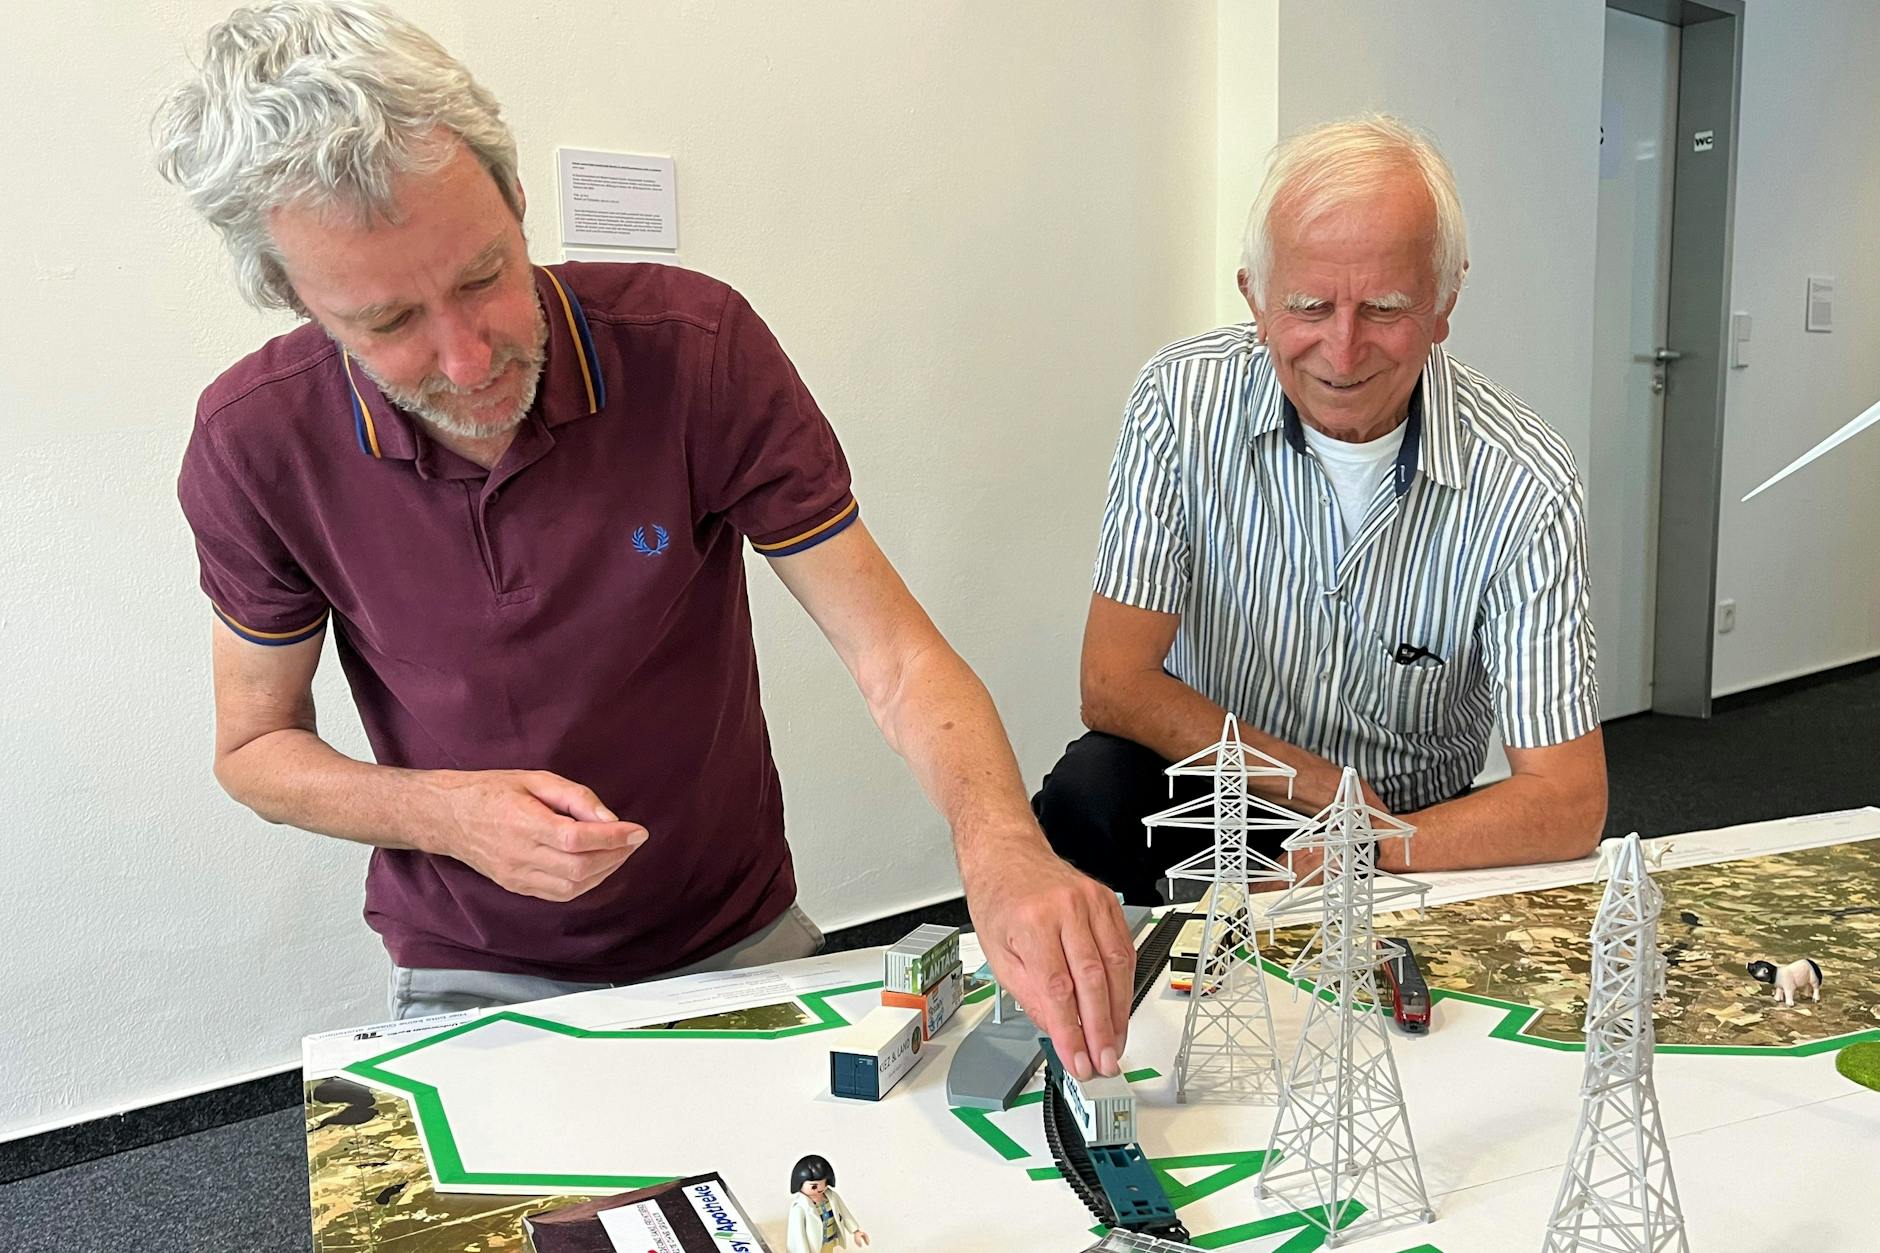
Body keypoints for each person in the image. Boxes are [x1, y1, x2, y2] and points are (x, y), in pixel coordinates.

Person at [156, 0, 1132, 1082]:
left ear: (516, 199)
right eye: (389, 323)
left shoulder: (695, 350)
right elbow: (255, 748)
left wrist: (1001, 847)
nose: (469, 361)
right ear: (294, 299)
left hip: (735, 934)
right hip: (468, 962)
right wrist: (447, 813)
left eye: (484, 275)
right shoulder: (255, 443)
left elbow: (894, 657)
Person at [1035, 115, 1607, 903]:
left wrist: (1366, 846)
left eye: (1384, 308)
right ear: (1255, 296)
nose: (1342, 352)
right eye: (1308, 306)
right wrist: (1318, 788)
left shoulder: (1525, 478)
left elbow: (1569, 800)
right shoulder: (1179, 399)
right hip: (1220, 785)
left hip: (1407, 823)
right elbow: (1112, 680)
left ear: (1445, 302)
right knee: (1085, 794)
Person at [785, 1155, 868, 1253]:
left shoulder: (832, 1197)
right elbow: (798, 1236)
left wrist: (855, 1231)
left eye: (825, 1183)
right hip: (812, 1247)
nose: (820, 1188)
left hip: (829, 1242)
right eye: (814, 1187)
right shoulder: (799, 1207)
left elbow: (845, 1214)